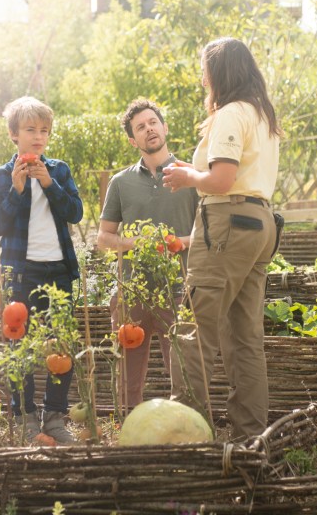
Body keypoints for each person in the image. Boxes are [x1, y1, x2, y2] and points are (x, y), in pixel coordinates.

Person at [162, 37, 281, 442]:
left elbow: (221, 179)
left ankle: (187, 435)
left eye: (205, 71)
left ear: (220, 73)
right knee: (245, 338)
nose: (202, 79)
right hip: (260, 224)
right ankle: (251, 438)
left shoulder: (231, 114)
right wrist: (193, 171)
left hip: (228, 222)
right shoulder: (262, 116)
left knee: (194, 330)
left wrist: (186, 177)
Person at [0, 95, 83, 445]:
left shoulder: (59, 170)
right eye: (30, 130)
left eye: (44, 130)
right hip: (20, 273)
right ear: (14, 134)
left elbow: (75, 213)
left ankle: (55, 418)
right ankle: (25, 417)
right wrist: (17, 189)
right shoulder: (0, 176)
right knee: (18, 349)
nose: (38, 137)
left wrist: (48, 185)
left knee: (59, 348)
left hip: (58, 271)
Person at [97, 98, 199, 408]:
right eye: (140, 127)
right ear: (133, 140)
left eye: (153, 122)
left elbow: (207, 232)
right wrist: (137, 242)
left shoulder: (192, 176)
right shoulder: (121, 183)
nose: (149, 129)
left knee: (184, 368)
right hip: (133, 290)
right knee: (128, 375)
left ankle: (188, 428)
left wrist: (177, 243)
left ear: (165, 127)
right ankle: (130, 430)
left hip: (180, 287)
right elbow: (103, 237)